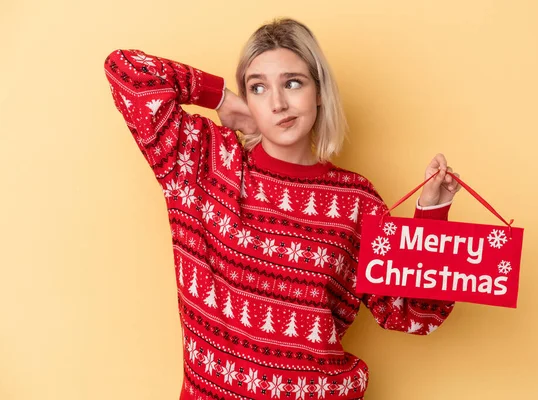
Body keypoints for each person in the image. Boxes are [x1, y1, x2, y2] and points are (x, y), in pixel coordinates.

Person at [104, 17, 461, 400]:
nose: (277, 104)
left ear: (320, 91)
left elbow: (413, 316)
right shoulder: (203, 164)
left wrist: (433, 212)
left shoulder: (356, 202)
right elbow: (125, 72)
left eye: (293, 83)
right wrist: (222, 98)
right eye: (259, 88)